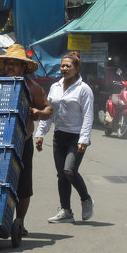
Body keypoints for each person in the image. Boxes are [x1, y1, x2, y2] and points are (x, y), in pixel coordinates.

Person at [0, 44, 52, 235]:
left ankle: (19, 221)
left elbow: (48, 110)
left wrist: (38, 112)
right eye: (8, 63)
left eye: (16, 64)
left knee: (23, 184)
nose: (11, 67)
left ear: (24, 67)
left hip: (21, 142)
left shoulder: (33, 87)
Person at [35, 51, 95, 223]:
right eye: (62, 65)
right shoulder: (55, 87)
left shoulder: (84, 89)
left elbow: (88, 115)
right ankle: (66, 211)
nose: (64, 68)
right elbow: (50, 113)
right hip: (59, 136)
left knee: (70, 170)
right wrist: (40, 134)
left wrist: (84, 139)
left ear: (77, 69)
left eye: (68, 66)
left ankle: (86, 199)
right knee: (61, 174)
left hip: (76, 138)